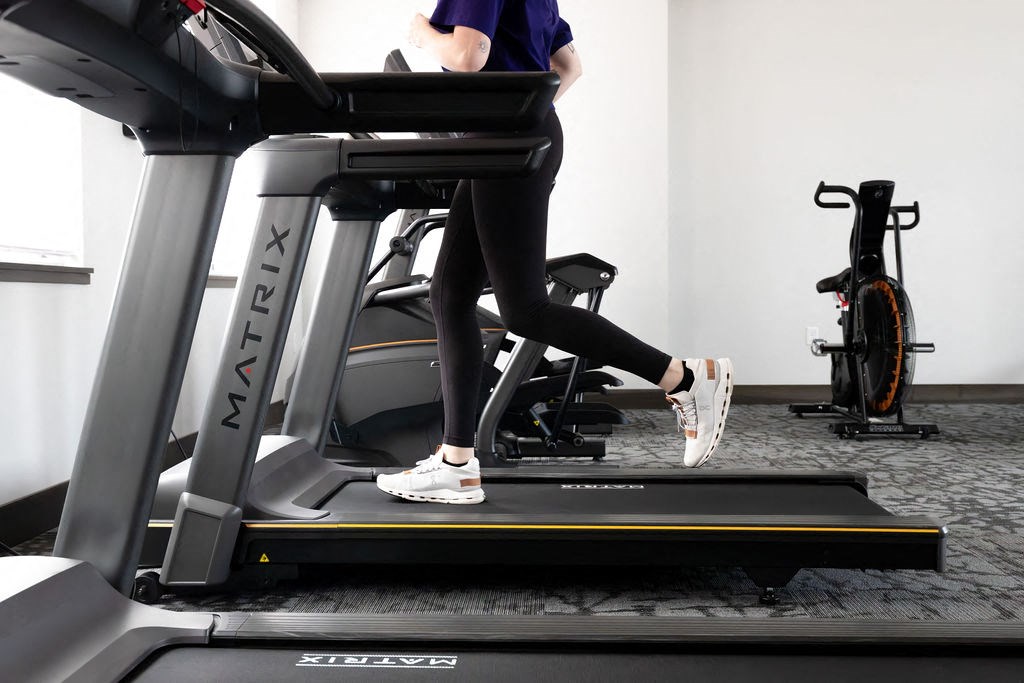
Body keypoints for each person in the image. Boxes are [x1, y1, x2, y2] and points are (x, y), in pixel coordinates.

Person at [377, 0, 732, 504]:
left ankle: (686, 377)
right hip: (506, 136)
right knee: (448, 296)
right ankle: (456, 463)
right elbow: (569, 66)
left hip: (503, 141)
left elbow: (468, 55)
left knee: (525, 310)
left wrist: (422, 34)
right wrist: (526, 114)